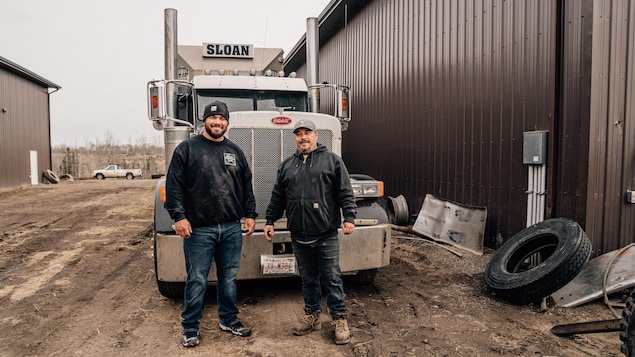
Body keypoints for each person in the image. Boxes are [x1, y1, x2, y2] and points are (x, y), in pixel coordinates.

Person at [165, 101, 257, 348]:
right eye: (213, 118)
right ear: (204, 120)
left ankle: (228, 319)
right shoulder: (187, 149)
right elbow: (174, 185)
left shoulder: (235, 151)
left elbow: (246, 185)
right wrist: (179, 217)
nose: (218, 122)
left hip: (230, 228)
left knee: (229, 278)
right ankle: (190, 327)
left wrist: (250, 214)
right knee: (197, 279)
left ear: (227, 123)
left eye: (222, 119)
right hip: (199, 229)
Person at [264, 119, 356, 345]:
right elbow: (278, 196)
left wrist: (349, 217)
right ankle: (312, 315)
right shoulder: (287, 165)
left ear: (316, 135)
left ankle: (339, 319)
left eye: (307, 133)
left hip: (325, 234)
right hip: (299, 235)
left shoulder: (332, 161)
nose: (302, 137)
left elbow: (345, 192)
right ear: (294, 138)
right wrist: (269, 220)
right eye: (298, 134)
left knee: (332, 279)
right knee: (308, 279)